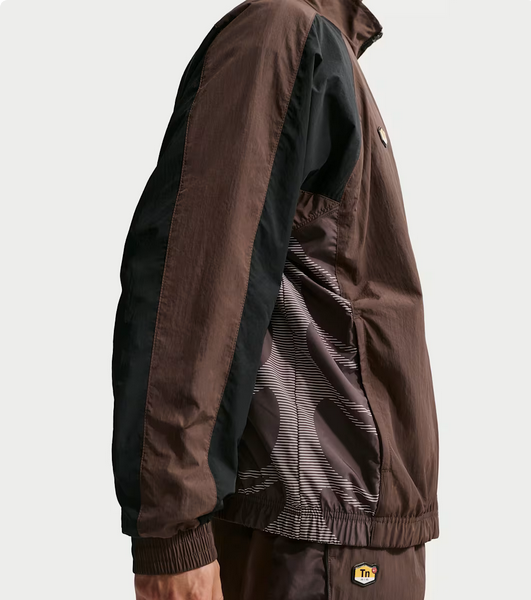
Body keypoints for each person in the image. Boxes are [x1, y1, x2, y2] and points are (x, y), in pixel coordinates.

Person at [111, 0, 440, 598]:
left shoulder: (324, 48)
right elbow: (195, 280)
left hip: (351, 539)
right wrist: (173, 533)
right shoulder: (281, 37)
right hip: (312, 540)